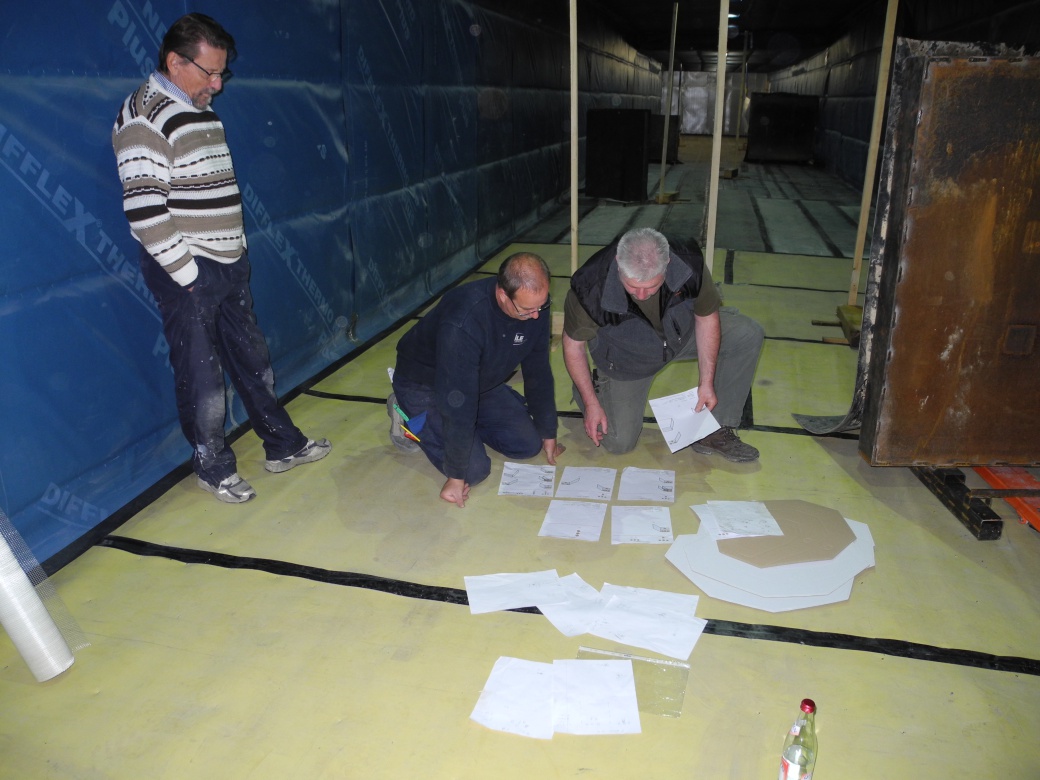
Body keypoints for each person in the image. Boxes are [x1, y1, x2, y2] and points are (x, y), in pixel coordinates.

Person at [112, 14, 330, 504]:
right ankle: (213, 467)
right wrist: (190, 275)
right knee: (203, 377)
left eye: (221, 72)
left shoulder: (199, 106)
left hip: (228, 262)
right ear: (175, 62)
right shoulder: (145, 118)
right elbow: (145, 212)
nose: (218, 84)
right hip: (187, 268)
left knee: (254, 362)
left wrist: (236, 250)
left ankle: (282, 445)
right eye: (209, 72)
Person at [562, 227, 764, 462]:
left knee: (747, 334)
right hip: (626, 359)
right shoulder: (589, 288)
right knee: (619, 442)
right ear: (618, 263)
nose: (641, 295)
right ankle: (592, 389)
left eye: (651, 287)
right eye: (632, 286)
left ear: (667, 264)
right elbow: (573, 346)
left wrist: (706, 382)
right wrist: (591, 403)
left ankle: (714, 429)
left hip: (680, 335)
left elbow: (706, 317)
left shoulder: (688, 263)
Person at [390, 253, 565, 507]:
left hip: (479, 378)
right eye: (527, 310)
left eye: (541, 305)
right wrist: (455, 476)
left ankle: (462, 432)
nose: (536, 316)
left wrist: (548, 430)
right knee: (472, 470)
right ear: (503, 295)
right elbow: (458, 400)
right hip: (425, 384)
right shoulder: (463, 321)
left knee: (527, 445)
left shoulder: (534, 306)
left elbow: (538, 369)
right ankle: (405, 415)